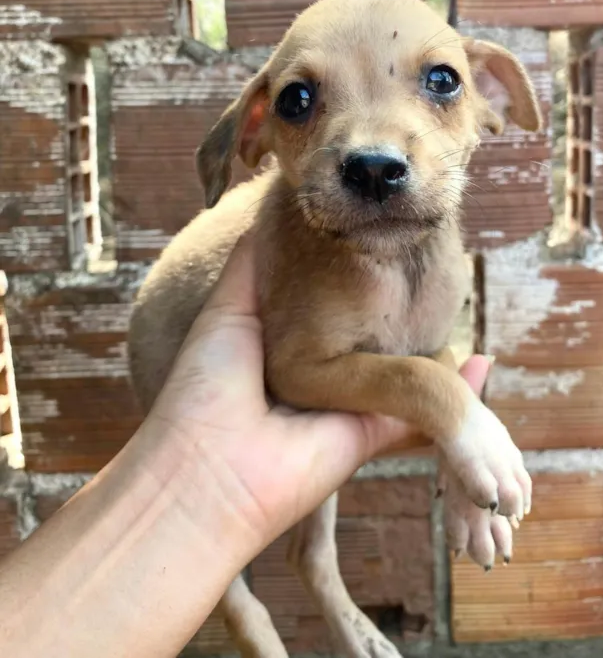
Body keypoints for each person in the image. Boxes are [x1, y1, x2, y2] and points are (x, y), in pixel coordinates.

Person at [0, 238, 491, 658]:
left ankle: (320, 574)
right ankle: (245, 616)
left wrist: (461, 449)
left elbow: (427, 364)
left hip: (295, 361)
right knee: (331, 372)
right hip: (173, 335)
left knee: (345, 391)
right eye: (300, 116)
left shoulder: (436, 261)